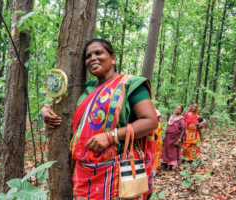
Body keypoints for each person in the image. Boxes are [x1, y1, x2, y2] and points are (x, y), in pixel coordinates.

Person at [41, 39, 158, 200]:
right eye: (88, 56)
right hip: (83, 173)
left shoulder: (131, 84)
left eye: (99, 53)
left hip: (119, 171)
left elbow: (150, 121)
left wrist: (111, 136)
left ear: (113, 58)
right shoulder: (85, 89)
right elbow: (60, 102)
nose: (92, 58)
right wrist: (45, 109)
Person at [161, 106, 186, 170]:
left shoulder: (181, 119)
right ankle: (165, 164)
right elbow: (168, 126)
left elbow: (183, 130)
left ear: (181, 111)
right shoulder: (171, 117)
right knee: (166, 150)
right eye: (177, 108)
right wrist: (165, 136)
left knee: (173, 151)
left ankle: (171, 166)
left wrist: (179, 140)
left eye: (179, 109)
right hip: (168, 136)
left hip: (175, 137)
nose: (177, 110)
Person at [153, 109, 163, 175]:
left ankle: (154, 172)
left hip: (156, 144)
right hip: (150, 144)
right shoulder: (149, 123)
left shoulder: (159, 124)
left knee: (155, 157)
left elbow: (160, 135)